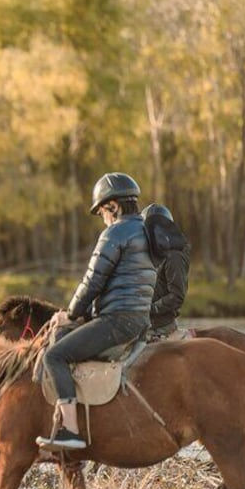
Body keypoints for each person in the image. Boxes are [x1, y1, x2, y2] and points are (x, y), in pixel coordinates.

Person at [36, 172, 157, 451]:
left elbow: (92, 281)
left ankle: (70, 430)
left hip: (117, 320)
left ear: (113, 206)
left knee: (56, 355)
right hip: (139, 319)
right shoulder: (146, 231)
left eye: (102, 210)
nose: (102, 217)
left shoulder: (115, 232)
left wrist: (70, 312)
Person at [141, 203, 191, 341]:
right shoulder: (155, 253)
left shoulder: (174, 256)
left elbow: (177, 296)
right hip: (144, 322)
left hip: (159, 326)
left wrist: (149, 309)